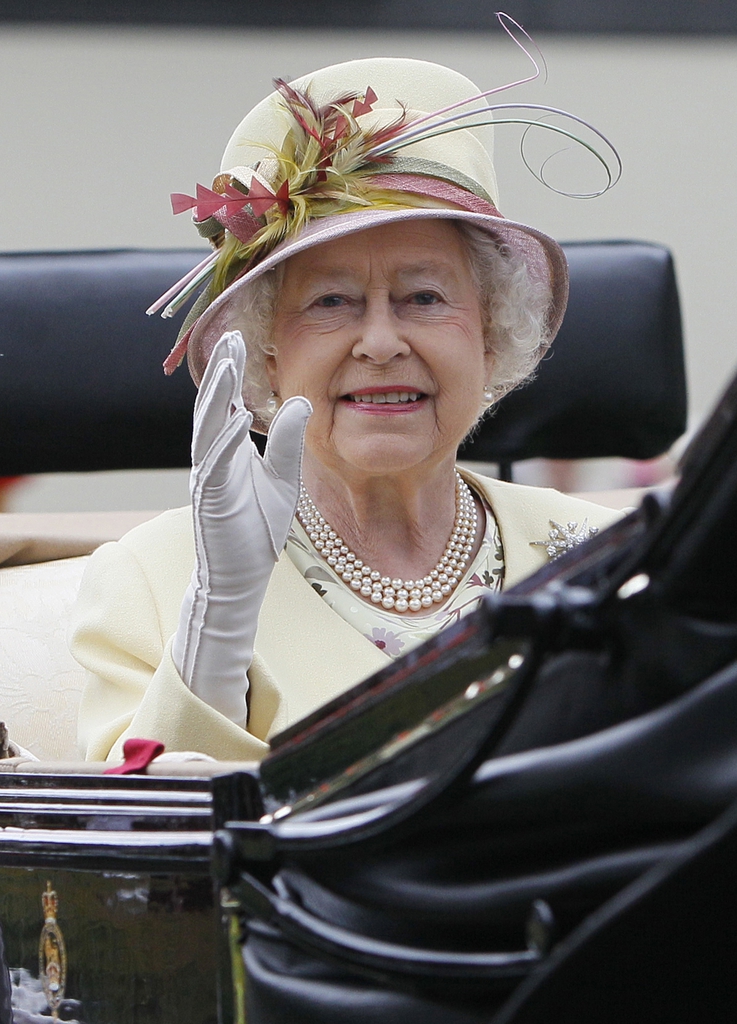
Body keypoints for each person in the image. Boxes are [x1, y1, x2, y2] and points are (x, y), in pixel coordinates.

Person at [69, 55, 624, 763]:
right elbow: (132, 848)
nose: (382, 342)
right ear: (267, 350)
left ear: (489, 334)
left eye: (423, 297)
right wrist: (220, 626)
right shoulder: (149, 580)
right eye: (331, 302)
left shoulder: (606, 555)